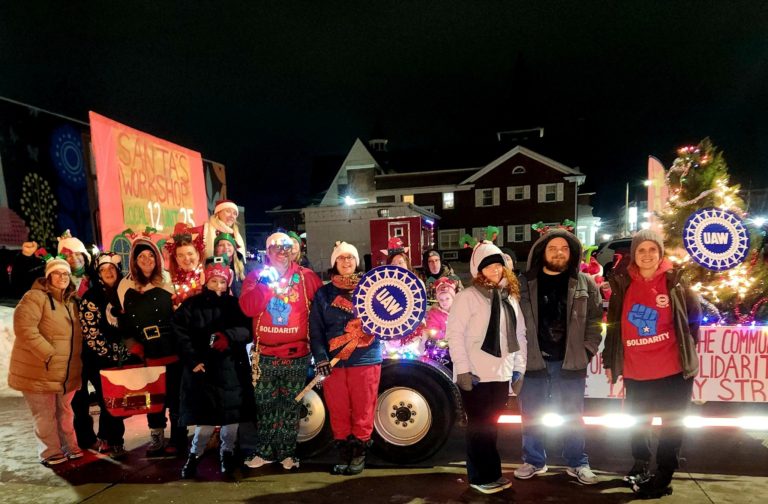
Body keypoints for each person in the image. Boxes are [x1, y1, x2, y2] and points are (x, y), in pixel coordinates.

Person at [603, 229, 701, 498]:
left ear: (660, 253)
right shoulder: (623, 283)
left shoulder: (675, 282)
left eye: (652, 249)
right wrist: (609, 360)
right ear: (634, 254)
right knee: (638, 424)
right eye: (641, 250)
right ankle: (641, 464)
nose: (647, 255)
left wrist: (687, 350)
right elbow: (614, 327)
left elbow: (693, 320)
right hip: (636, 370)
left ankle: (664, 474)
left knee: (672, 426)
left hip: (673, 371)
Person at [514, 229, 603, 485]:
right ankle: (534, 460)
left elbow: (596, 320)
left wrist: (588, 350)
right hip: (534, 361)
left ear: (571, 253)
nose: (558, 253)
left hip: (570, 362)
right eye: (552, 248)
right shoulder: (523, 283)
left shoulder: (585, 283)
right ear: (542, 252)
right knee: (531, 414)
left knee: (573, 416)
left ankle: (577, 462)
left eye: (564, 248)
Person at [446, 241, 527, 495]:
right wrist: (462, 369)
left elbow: (519, 335)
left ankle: (492, 473)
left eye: (498, 265)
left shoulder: (509, 298)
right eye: (488, 266)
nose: (495, 270)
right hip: (476, 375)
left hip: (501, 373)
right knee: (479, 427)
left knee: (491, 427)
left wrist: (519, 368)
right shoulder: (467, 297)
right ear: (478, 270)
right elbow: (455, 335)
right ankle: (479, 477)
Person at [239, 231, 322, 470]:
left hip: (297, 354)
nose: (282, 252)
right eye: (276, 247)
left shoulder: (306, 277)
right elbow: (248, 308)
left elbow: (320, 309)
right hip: (264, 355)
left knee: (290, 407)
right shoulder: (256, 277)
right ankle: (265, 452)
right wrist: (266, 284)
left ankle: (287, 453)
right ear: (268, 252)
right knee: (265, 406)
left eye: (286, 247)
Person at [175, 256, 254, 479]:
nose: (218, 285)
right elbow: (180, 333)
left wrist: (229, 336)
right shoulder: (192, 305)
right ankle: (195, 454)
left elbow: (248, 330)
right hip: (204, 371)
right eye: (214, 281)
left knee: (231, 418)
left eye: (222, 281)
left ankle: (227, 453)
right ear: (206, 281)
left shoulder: (235, 305)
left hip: (231, 370)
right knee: (206, 420)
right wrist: (192, 360)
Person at [310, 241, 382, 475]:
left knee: (363, 408)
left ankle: (359, 452)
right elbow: (316, 329)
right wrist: (321, 358)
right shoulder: (324, 294)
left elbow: (385, 320)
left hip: (366, 359)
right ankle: (343, 451)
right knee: (338, 408)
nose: (346, 261)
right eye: (341, 258)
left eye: (350, 257)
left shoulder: (371, 288)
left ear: (356, 261)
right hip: (334, 363)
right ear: (334, 263)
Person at [8, 254, 84, 466]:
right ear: (48, 277)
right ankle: (50, 452)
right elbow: (24, 328)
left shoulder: (71, 302)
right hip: (39, 369)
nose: (62, 277)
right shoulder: (35, 297)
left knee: (65, 412)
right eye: (56, 273)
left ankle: (70, 447)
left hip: (66, 371)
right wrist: (49, 354)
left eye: (65, 274)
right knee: (45, 414)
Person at [117, 236, 185, 456]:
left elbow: (180, 316)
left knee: (175, 398)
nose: (146, 260)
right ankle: (157, 437)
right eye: (141, 257)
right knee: (153, 398)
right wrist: (133, 345)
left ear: (157, 259)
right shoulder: (126, 287)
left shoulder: (168, 282)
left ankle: (178, 437)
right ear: (134, 261)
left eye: (150, 256)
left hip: (172, 349)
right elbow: (124, 322)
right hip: (147, 352)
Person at [75, 252, 129, 459]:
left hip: (120, 358)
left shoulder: (125, 292)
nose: (108, 273)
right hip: (97, 359)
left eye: (112, 269)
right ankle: (108, 439)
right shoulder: (91, 296)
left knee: (117, 400)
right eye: (103, 269)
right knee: (107, 400)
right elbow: (91, 333)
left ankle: (113, 438)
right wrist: (110, 353)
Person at [165, 223, 205, 309]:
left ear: (198, 255)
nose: (186, 258)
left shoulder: (209, 277)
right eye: (181, 255)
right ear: (176, 259)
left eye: (190, 254)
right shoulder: (169, 282)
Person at [421, 277, 456, 367]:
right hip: (441, 347)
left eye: (447, 298)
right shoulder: (434, 313)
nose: (444, 302)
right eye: (441, 300)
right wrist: (445, 334)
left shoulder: (460, 311)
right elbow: (433, 330)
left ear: (453, 298)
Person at [57, 229, 92, 299]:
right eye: (68, 255)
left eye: (77, 254)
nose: (74, 258)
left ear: (84, 256)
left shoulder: (96, 275)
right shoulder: (60, 281)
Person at [213, 232, 248, 297]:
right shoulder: (211, 268)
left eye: (229, 244)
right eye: (221, 245)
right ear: (216, 249)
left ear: (234, 248)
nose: (226, 247)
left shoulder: (244, 268)